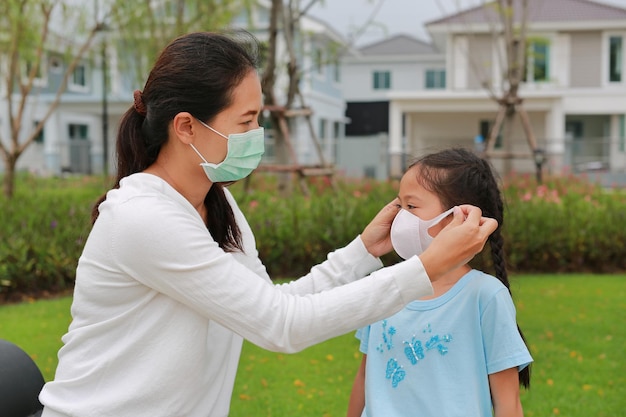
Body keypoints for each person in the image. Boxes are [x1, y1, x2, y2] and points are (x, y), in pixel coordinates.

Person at [39, 32, 497, 417]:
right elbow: (283, 327)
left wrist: (364, 251)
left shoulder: (217, 205)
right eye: (247, 119)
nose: (258, 134)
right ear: (186, 127)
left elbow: (273, 304)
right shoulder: (144, 217)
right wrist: (427, 268)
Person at [346, 147, 533, 417]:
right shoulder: (384, 286)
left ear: (461, 217)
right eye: (399, 205)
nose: (400, 216)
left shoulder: (485, 296)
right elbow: (365, 376)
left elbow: (508, 403)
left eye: (411, 206)